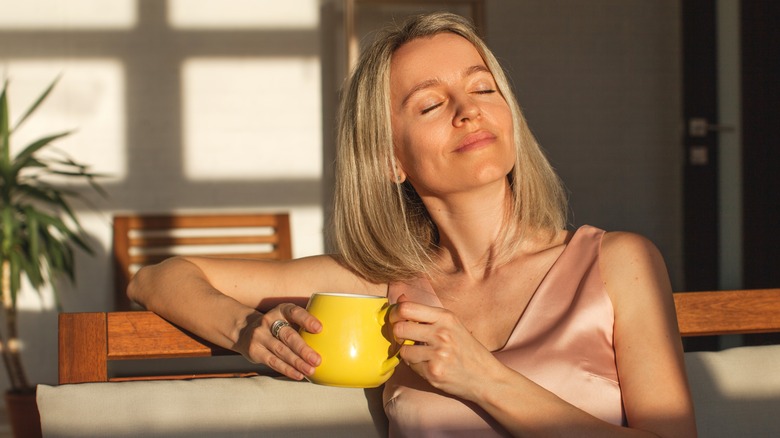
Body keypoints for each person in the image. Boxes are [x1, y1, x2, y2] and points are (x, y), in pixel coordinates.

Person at [129, 12, 697, 437]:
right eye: (430, 104)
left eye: (481, 88)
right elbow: (157, 277)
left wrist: (485, 378)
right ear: (390, 159)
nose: (468, 109)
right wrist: (247, 331)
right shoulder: (383, 289)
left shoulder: (617, 263)